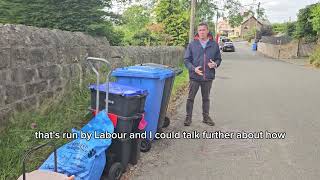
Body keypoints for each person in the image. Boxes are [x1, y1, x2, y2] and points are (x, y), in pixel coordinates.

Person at [184, 22, 222, 126]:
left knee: (206, 99)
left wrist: (215, 64)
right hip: (195, 77)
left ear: (207, 31)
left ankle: (206, 117)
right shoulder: (192, 45)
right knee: (190, 98)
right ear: (198, 32)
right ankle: (188, 118)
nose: (201, 32)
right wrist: (193, 69)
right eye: (200, 30)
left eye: (203, 30)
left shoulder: (214, 45)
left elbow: (218, 59)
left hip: (208, 77)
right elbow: (186, 60)